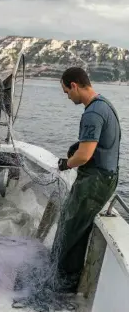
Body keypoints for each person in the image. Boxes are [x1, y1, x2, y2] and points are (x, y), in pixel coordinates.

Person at [51, 67, 121, 293]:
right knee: (76, 227)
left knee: (70, 230)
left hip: (95, 181)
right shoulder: (104, 104)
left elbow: (84, 155)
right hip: (104, 177)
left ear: (74, 85)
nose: (67, 96)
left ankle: (63, 285)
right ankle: (66, 278)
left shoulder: (92, 113)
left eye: (65, 92)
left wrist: (66, 163)